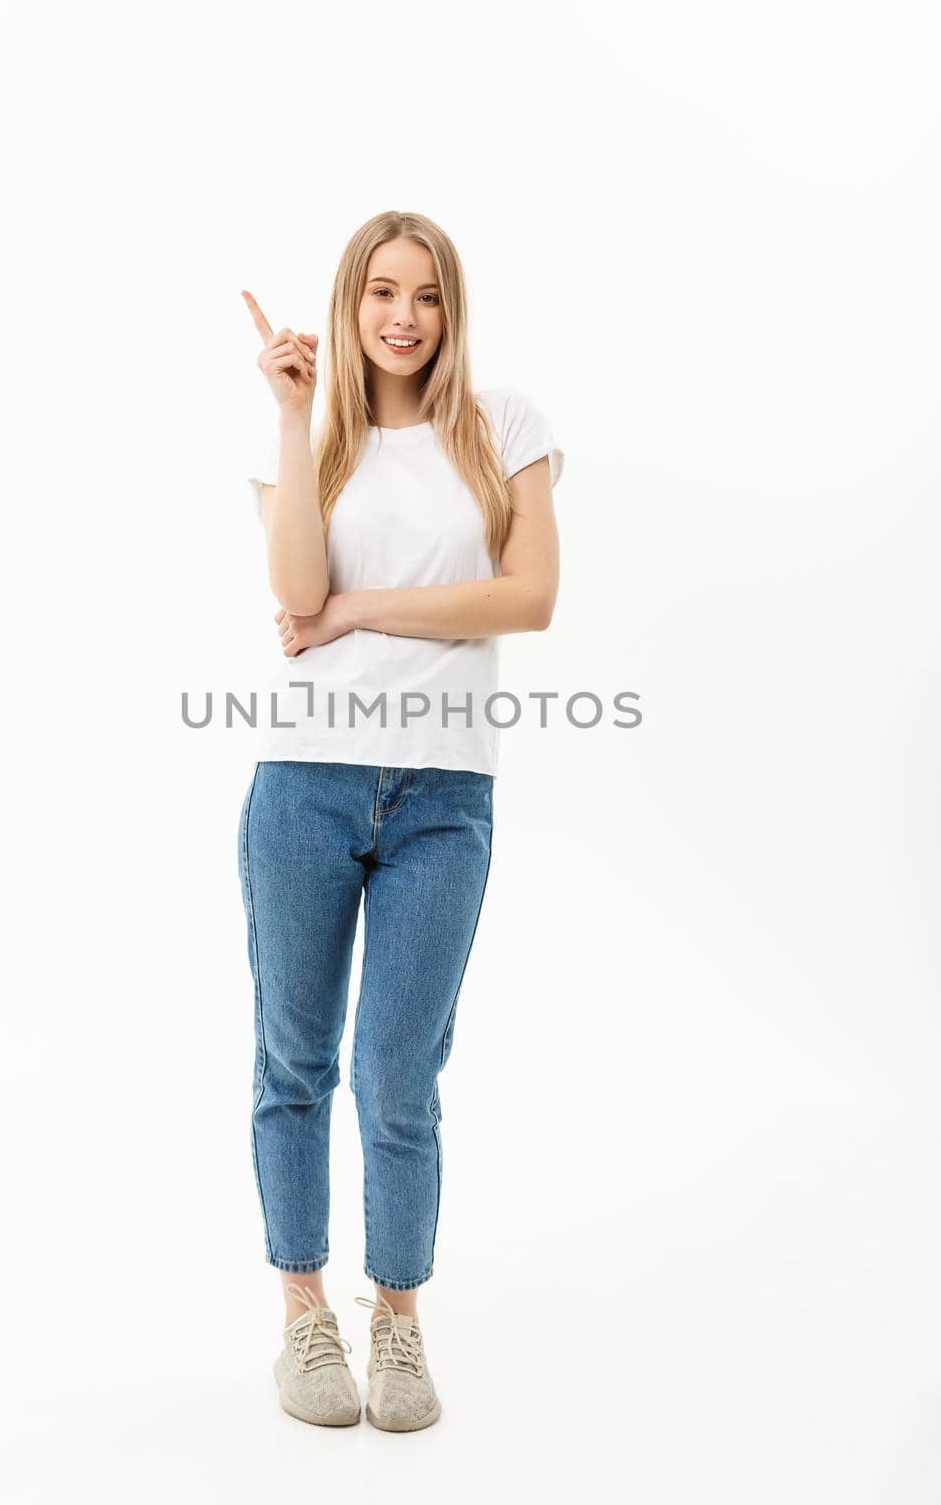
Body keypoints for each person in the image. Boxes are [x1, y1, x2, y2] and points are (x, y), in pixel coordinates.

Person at [237, 210, 563, 1431]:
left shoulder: (502, 427)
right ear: (350, 301)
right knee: (295, 1060)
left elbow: (528, 598)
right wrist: (286, 417)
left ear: (449, 308)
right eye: (381, 292)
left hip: (444, 792)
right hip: (304, 783)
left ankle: (400, 1324)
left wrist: (357, 612)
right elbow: (291, 594)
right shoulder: (311, 432)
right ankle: (303, 1316)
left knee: (397, 1073)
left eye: (424, 295)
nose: (403, 317)